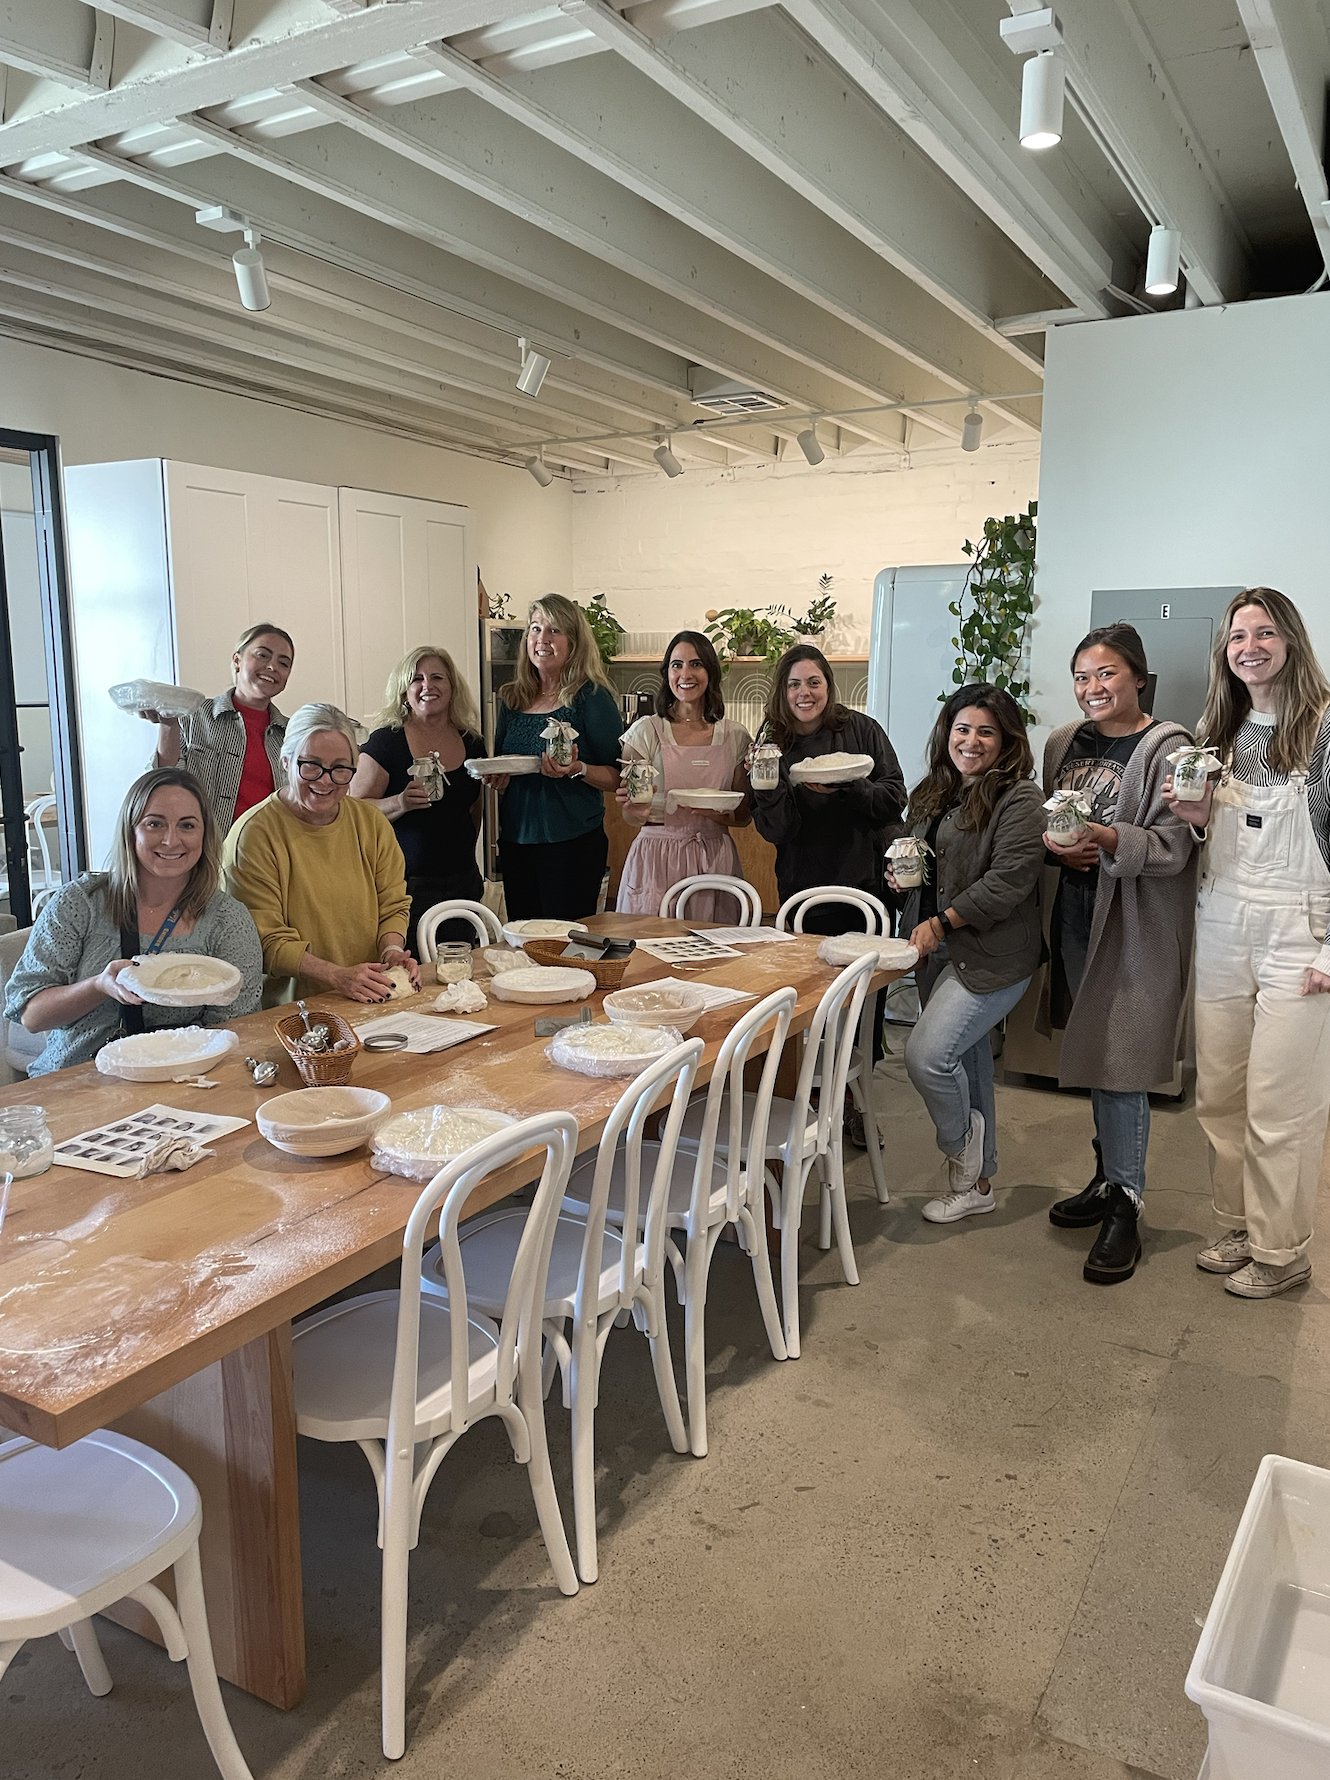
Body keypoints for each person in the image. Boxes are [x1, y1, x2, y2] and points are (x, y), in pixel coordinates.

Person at [1165, 588, 1330, 1299]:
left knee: (1279, 1102)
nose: (1250, 646)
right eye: (1238, 635)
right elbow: (1209, 837)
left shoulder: (1323, 729)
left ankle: (1283, 1250)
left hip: (1302, 928)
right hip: (1225, 917)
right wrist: (1197, 820)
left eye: (1265, 632)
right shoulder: (1219, 732)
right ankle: (1240, 1224)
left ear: (1291, 641)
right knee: (1223, 1092)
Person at [1036, 624, 1198, 1285]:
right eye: (1081, 676)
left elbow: (1175, 848)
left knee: (1124, 1065)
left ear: (1138, 676)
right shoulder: (1061, 743)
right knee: (1101, 1058)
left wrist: (1105, 837)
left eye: (1105, 674)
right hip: (1078, 915)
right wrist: (1058, 845)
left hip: (1134, 924)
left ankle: (1127, 1207)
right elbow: (1051, 820)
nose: (1092, 688)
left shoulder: (1170, 748)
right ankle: (1108, 1179)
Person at [892, 685, 1045, 1224]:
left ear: (1006, 740)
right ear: (947, 732)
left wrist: (940, 922)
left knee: (927, 1056)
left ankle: (962, 1149)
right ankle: (977, 1185)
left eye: (986, 731)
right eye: (962, 729)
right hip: (939, 953)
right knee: (968, 1061)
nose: (972, 741)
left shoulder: (1021, 798)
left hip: (993, 957)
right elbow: (921, 862)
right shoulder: (935, 790)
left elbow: (1008, 882)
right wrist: (901, 878)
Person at [5, 767, 263, 1075]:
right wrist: (99, 986)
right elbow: (32, 1016)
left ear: (205, 834)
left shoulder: (228, 919)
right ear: (131, 830)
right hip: (80, 1081)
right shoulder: (79, 903)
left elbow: (236, 1027)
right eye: (154, 824)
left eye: (187, 826)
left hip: (185, 1081)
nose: (171, 840)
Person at [221, 702, 418, 1004]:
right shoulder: (253, 835)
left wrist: (391, 952)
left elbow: (392, 905)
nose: (325, 780)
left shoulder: (371, 823)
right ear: (285, 762)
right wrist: (337, 976)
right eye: (311, 765)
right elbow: (265, 940)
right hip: (293, 1012)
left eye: (340, 768)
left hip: (369, 995)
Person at [748, 643, 905, 931]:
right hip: (802, 892)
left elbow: (895, 799)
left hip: (865, 890)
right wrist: (765, 783)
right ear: (783, 693)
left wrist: (851, 789)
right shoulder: (772, 743)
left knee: (863, 976)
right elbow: (777, 830)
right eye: (793, 685)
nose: (804, 693)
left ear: (828, 687)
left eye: (813, 682)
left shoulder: (863, 729)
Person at [491, 595, 623, 920]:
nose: (542, 639)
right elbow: (501, 767)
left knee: (563, 947)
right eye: (535, 629)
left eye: (554, 631)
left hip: (573, 843)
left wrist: (576, 769)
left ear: (574, 642)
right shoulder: (512, 699)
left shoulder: (590, 697)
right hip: (517, 841)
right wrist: (498, 779)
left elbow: (620, 777)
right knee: (523, 946)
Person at [350, 646, 486, 955]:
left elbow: (474, 809)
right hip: (404, 886)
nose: (427, 686)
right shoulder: (387, 742)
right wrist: (398, 802)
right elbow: (353, 810)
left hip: (462, 880)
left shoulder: (472, 742)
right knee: (410, 972)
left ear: (452, 689)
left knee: (461, 968)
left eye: (437, 677)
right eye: (417, 679)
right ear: (404, 692)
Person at [617, 630, 752, 922]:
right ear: (667, 673)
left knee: (715, 955)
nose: (685, 674)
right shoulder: (644, 732)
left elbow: (743, 815)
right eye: (677, 665)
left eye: (696, 664)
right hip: (656, 856)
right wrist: (635, 810)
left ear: (710, 672)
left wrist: (714, 815)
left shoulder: (736, 736)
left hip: (714, 855)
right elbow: (632, 818)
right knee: (650, 953)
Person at [144, 623, 295, 833]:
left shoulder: (293, 735)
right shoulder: (193, 714)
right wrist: (168, 724)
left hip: (265, 856)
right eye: (262, 655)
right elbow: (161, 782)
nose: (272, 667)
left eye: (284, 663)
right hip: (204, 854)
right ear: (237, 660)